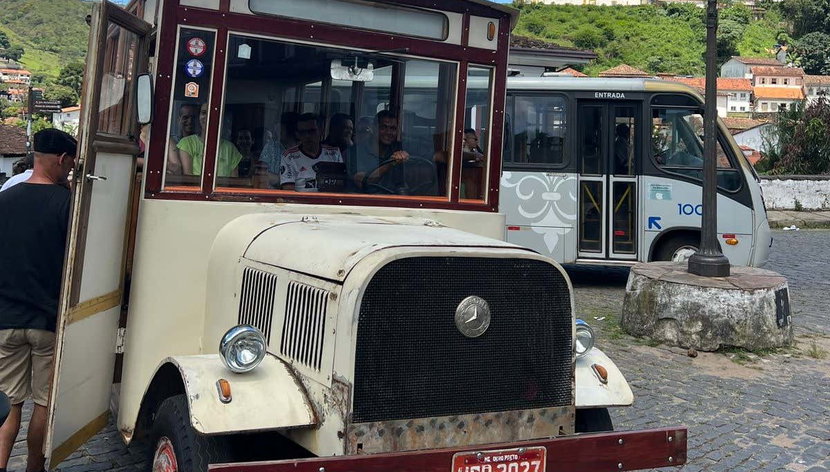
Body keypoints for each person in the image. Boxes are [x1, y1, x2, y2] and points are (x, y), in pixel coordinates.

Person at [0, 129, 77, 472]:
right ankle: (34, 467)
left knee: (8, 403)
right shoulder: (68, 205)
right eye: (71, 163)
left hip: (5, 318)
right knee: (44, 404)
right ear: (62, 159)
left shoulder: (5, 200)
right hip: (47, 321)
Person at [280, 113, 343, 191]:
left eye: (312, 131)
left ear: (321, 131)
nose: (307, 136)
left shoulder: (334, 153)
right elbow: (288, 190)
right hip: (301, 202)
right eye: (302, 132)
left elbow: (341, 184)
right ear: (297, 135)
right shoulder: (289, 156)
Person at [176, 102, 243, 177]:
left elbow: (233, 183)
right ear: (199, 117)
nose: (207, 117)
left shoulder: (231, 149)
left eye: (213, 113)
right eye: (204, 113)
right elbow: (188, 178)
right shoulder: (187, 143)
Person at [353, 110, 411, 190]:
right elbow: (364, 182)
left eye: (393, 128)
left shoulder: (396, 150)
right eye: (384, 127)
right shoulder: (356, 152)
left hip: (392, 200)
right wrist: (391, 162)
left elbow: (402, 184)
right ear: (374, 128)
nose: (389, 132)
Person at [259, 111, 299, 188]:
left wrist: (278, 179)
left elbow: (302, 181)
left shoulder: (302, 150)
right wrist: (283, 180)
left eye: (281, 127)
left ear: (290, 129)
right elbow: (261, 173)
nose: (277, 130)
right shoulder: (271, 146)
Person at [166, 103, 198, 175]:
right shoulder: (171, 141)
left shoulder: (200, 144)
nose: (190, 121)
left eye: (193, 118)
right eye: (185, 117)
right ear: (178, 120)